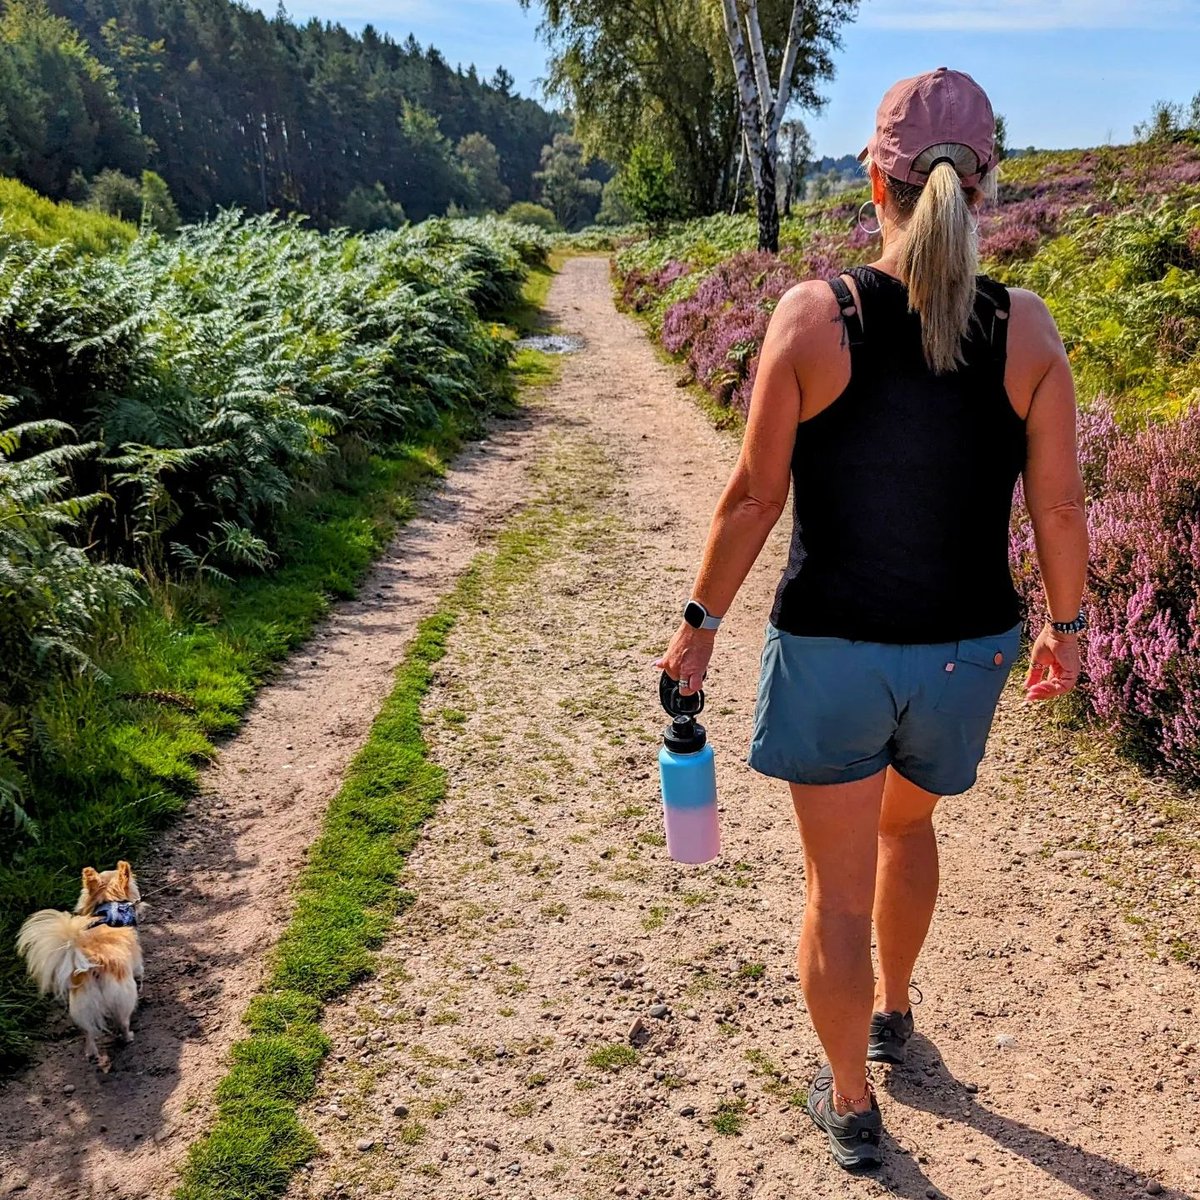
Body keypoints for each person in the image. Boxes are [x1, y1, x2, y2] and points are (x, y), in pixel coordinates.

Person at [656, 68, 1088, 1171]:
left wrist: (700, 621)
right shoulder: (1027, 332)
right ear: (985, 183)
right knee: (910, 828)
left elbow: (753, 498)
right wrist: (1071, 630)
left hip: (835, 656)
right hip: (966, 653)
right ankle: (896, 1012)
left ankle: (853, 1102)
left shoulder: (815, 317)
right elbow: (1059, 505)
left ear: (874, 179)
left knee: (835, 894)